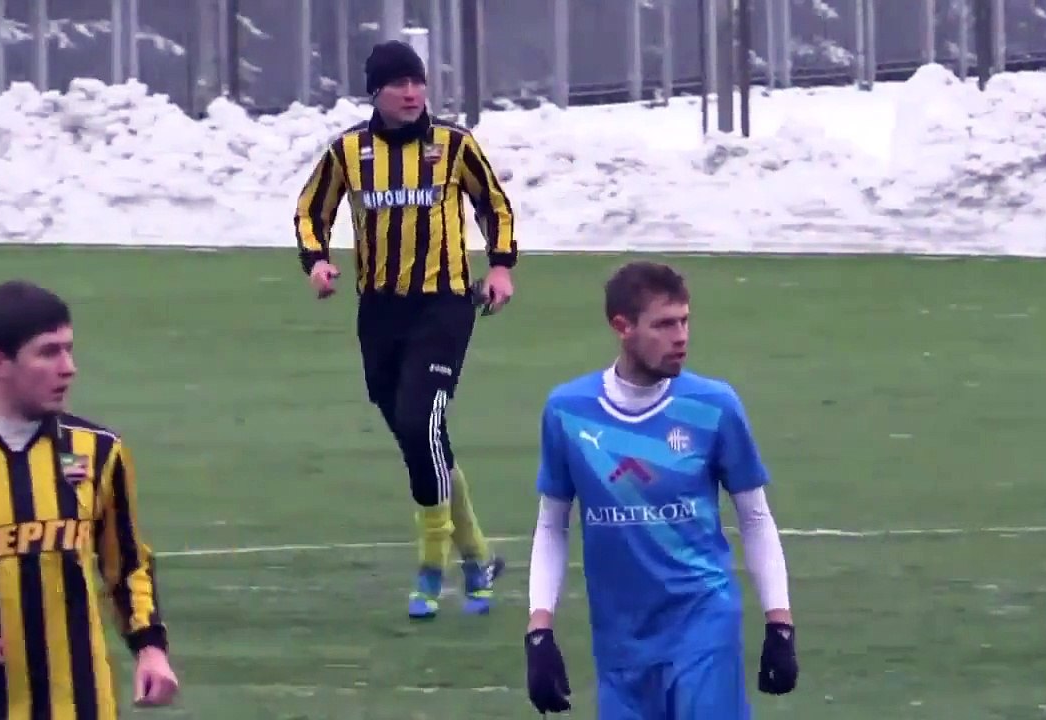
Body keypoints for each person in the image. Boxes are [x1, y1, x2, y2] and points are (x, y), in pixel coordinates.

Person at [294, 40, 515, 619]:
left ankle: (431, 568)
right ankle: (478, 557)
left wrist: (500, 267)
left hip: (443, 306)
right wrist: (316, 261)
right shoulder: (349, 152)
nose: (413, 92)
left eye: (418, 82)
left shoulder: (453, 145)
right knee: (419, 439)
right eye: (399, 84)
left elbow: (495, 204)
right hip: (380, 311)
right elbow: (310, 211)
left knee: (423, 421)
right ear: (377, 92)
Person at [521, 261, 800, 718]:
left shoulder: (714, 406)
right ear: (622, 327)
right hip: (619, 640)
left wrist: (780, 622)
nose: (681, 336)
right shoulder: (567, 412)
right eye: (665, 324)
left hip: (703, 623)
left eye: (685, 321)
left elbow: (754, 516)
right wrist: (539, 629)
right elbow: (552, 524)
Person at [0, 280, 179, 718]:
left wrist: (150, 647)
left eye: (69, 350)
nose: (69, 368)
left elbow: (126, 564)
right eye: (49, 352)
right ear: (0, 362)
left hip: (85, 707)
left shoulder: (99, 451)